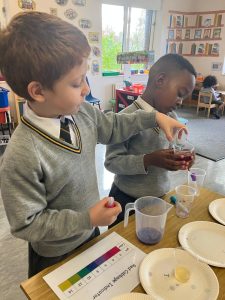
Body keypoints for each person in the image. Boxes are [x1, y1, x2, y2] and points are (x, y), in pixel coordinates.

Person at [0, 12, 185, 277]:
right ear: (38, 91)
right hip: (55, 254)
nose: (86, 89)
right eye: (76, 83)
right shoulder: (23, 153)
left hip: (90, 232)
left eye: (85, 78)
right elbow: (26, 224)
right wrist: (86, 218)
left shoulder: (82, 112)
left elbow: (113, 127)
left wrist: (154, 116)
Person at [105, 54, 196, 227]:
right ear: (160, 80)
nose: (181, 102)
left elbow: (173, 147)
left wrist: (181, 158)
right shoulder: (124, 119)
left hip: (158, 197)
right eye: (180, 93)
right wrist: (149, 160)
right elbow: (111, 162)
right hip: (126, 200)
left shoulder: (171, 117)